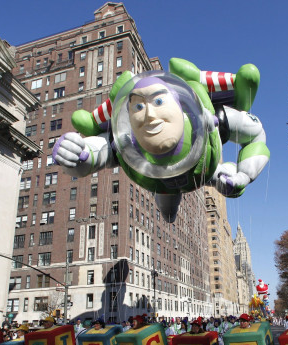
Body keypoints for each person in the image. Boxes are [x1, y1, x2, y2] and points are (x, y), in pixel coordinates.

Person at [53, 60, 269, 223]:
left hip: (205, 171)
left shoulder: (216, 120)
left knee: (227, 181)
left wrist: (245, 174)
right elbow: (92, 154)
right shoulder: (126, 140)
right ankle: (170, 209)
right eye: (138, 106)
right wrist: (73, 153)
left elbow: (257, 136)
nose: (149, 114)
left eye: (157, 101)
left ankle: (224, 178)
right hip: (160, 184)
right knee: (167, 213)